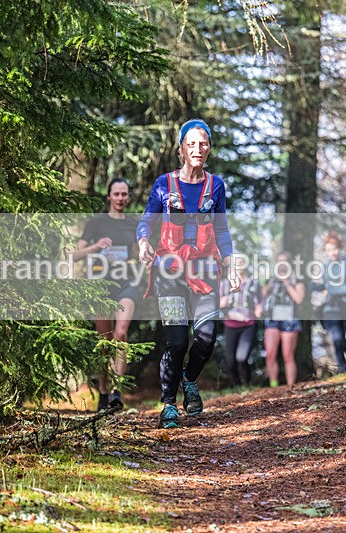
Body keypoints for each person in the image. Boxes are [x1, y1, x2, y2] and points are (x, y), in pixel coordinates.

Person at [137, 118, 239, 429]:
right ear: (181, 149)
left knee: (206, 339)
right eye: (191, 144)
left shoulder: (215, 186)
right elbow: (146, 223)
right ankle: (168, 404)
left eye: (203, 143)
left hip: (206, 269)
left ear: (209, 148)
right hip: (169, 270)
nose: (198, 149)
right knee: (178, 340)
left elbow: (221, 232)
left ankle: (188, 379)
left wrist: (232, 264)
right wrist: (143, 243)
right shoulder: (163, 184)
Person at [72, 178, 139, 410]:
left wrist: (138, 261)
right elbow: (76, 255)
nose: (121, 198)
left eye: (124, 194)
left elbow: (137, 254)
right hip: (100, 286)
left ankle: (116, 392)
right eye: (116, 194)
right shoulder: (97, 223)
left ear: (128, 197)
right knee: (104, 342)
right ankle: (102, 390)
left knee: (121, 333)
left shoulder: (133, 223)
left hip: (126, 284)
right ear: (109, 197)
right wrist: (96, 246)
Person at [314, 231, 346, 373]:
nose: (332, 253)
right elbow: (324, 286)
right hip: (331, 308)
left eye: (335, 249)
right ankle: (342, 370)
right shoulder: (325, 266)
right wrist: (311, 286)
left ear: (340, 248)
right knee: (337, 339)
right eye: (329, 250)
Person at [263, 251, 305, 387]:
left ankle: (290, 387)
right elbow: (262, 295)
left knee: (288, 355)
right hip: (272, 318)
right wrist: (270, 283)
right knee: (270, 354)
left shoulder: (297, 279)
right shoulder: (272, 278)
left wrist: (287, 283)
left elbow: (299, 299)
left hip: (289, 319)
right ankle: (273, 385)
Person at [219, 267, 263, 387]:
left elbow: (261, 300)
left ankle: (247, 384)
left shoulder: (254, 284)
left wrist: (260, 308)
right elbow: (214, 303)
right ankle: (237, 385)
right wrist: (220, 303)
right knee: (230, 360)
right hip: (230, 324)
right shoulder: (224, 284)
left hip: (248, 324)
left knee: (242, 357)